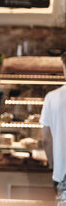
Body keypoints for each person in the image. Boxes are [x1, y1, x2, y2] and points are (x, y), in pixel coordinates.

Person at [40, 52, 66, 193]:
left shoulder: (52, 97)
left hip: (61, 173)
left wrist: (52, 164)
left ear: (64, 67)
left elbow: (46, 140)